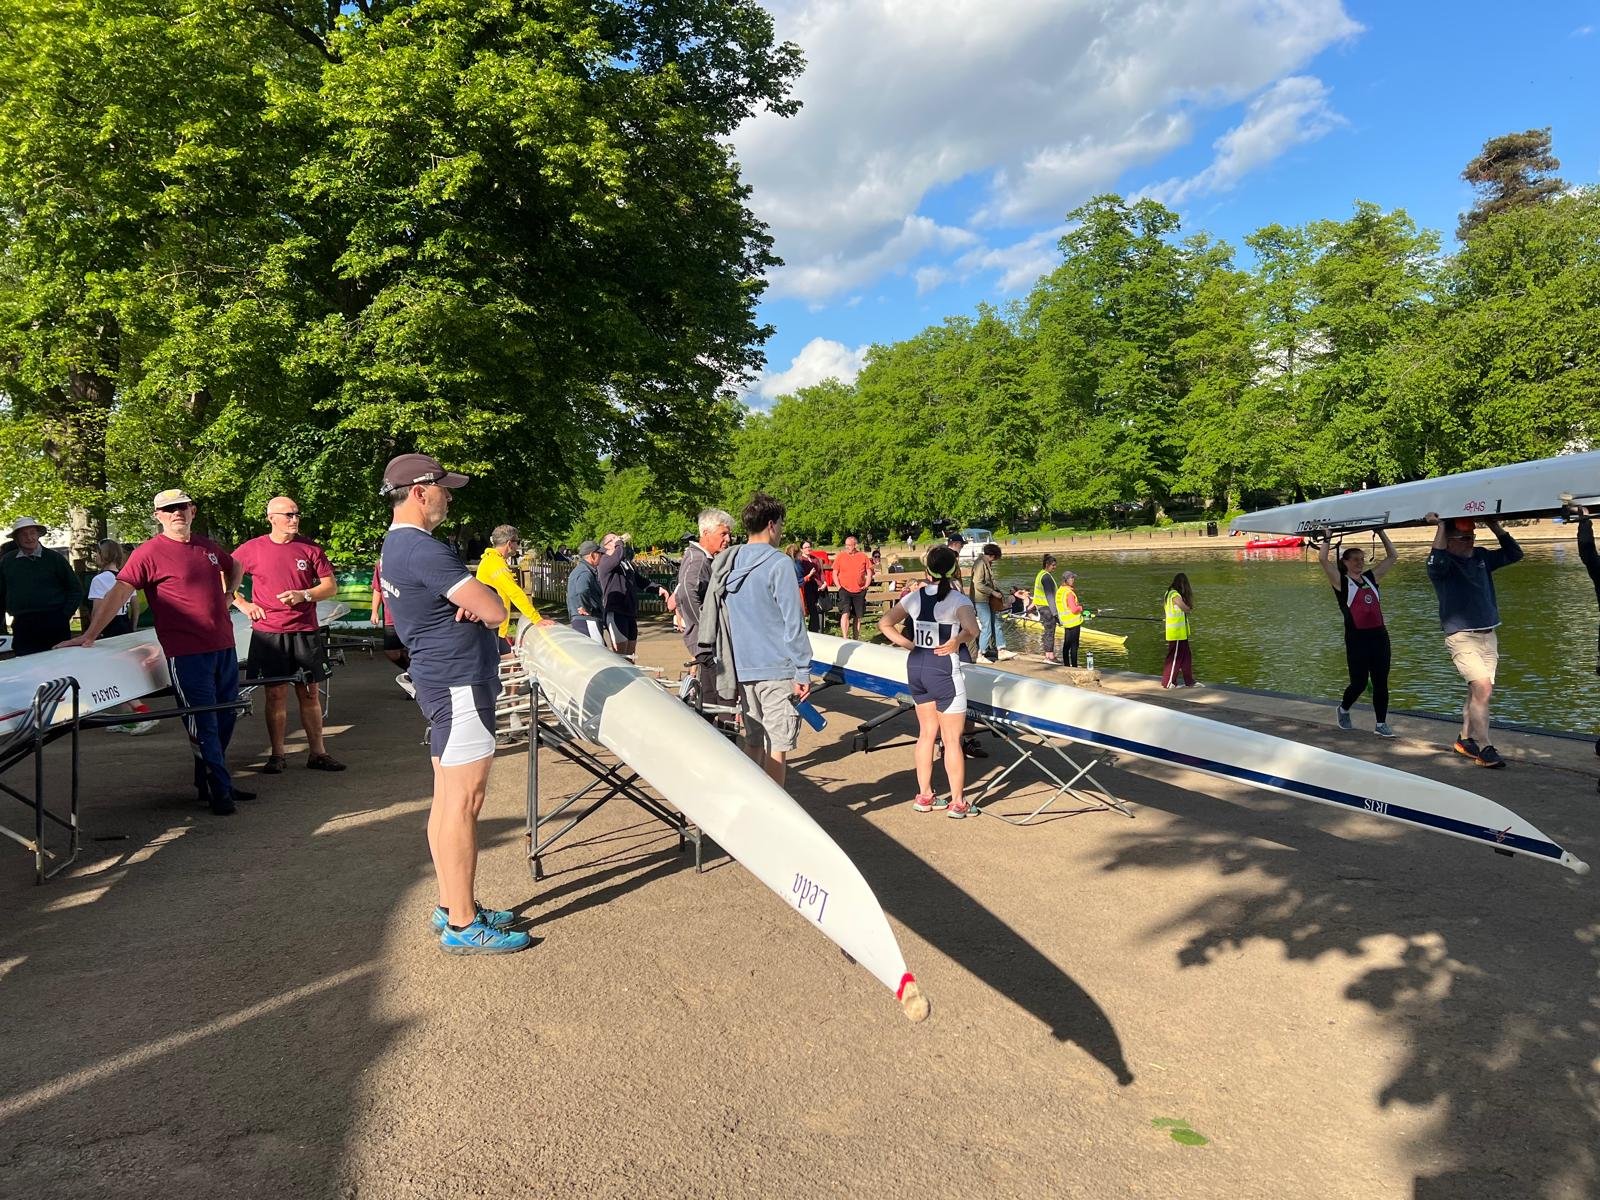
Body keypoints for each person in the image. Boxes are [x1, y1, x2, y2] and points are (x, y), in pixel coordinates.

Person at [378, 452, 529, 955]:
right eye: (444, 488)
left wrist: (467, 601)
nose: (449, 496)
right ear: (420, 492)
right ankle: (463, 923)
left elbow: (463, 603)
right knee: (464, 802)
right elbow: (494, 609)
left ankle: (451, 905)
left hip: (440, 678)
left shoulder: (396, 545)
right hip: (459, 681)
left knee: (447, 798)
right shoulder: (424, 549)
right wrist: (480, 601)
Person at [62, 488, 252, 815]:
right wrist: (90, 634)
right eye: (169, 509)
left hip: (224, 645)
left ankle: (210, 781)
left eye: (182, 507)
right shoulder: (148, 553)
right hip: (186, 652)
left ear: (192, 510)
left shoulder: (206, 546)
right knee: (203, 720)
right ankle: (220, 790)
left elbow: (235, 564)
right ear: (158, 516)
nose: (177, 513)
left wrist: (230, 594)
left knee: (226, 716)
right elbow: (119, 592)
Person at [699, 492, 812, 786]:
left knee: (752, 741)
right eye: (781, 525)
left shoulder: (728, 561)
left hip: (742, 668)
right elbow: (793, 622)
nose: (781, 531)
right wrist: (803, 670)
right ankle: (774, 808)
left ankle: (751, 800)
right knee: (777, 747)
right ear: (771, 525)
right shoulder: (779, 563)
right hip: (777, 668)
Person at [232, 497, 344, 774]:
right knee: (275, 694)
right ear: (271, 518)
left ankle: (318, 753)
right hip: (269, 633)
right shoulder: (251, 549)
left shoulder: (310, 548)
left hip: (304, 630)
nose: (294, 519)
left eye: (297, 514)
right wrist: (243, 604)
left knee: (310, 693)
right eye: (288, 515)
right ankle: (277, 755)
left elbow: (330, 587)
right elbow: (224, 577)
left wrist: (304, 594)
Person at [877, 545, 980, 817]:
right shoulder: (958, 600)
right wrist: (956, 641)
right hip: (943, 670)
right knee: (952, 740)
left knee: (926, 734)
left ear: (927, 571)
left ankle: (924, 796)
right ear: (954, 570)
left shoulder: (914, 597)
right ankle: (958, 802)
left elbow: (884, 623)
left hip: (917, 668)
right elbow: (973, 630)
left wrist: (909, 644)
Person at [1424, 513, 1523, 768]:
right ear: (1449, 541)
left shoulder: (1481, 557)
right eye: (1464, 538)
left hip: (1489, 634)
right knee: (1483, 688)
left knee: (1477, 691)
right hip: (1461, 636)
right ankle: (1486, 748)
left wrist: (1494, 525)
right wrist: (1441, 525)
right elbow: (1435, 559)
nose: (1471, 541)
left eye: (1472, 536)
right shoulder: (1443, 565)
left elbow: (1515, 554)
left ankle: (1464, 739)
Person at [1318, 531, 1399, 737]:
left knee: (1381, 682)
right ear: (1345, 562)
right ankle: (1344, 708)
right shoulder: (1341, 582)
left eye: (1362, 559)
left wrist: (1381, 532)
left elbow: (1393, 556)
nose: (1359, 563)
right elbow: (1323, 560)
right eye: (1355, 559)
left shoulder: (1371, 578)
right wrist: (1327, 536)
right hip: (1357, 640)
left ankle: (1381, 724)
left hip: (1380, 638)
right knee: (1359, 683)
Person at [87, 539, 157, 734]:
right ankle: (127, 718)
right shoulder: (124, 577)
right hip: (124, 625)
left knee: (112, 674)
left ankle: (142, 711)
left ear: (103, 555)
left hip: (109, 628)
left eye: (97, 553)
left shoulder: (99, 580)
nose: (95, 557)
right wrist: (132, 626)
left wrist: (92, 632)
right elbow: (135, 607)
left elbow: (98, 610)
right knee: (123, 671)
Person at [673, 507, 734, 702]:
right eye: (723, 534)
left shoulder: (700, 558)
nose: (728, 539)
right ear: (706, 533)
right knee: (723, 694)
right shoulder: (698, 560)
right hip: (706, 643)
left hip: (704, 642)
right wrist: (704, 627)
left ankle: (708, 719)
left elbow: (681, 592)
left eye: (729, 534)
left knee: (710, 695)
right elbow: (686, 592)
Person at [0, 516, 82, 655]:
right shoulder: (7, 562)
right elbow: (1, 593)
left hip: (54, 622)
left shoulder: (54, 558)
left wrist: (64, 615)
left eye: (32, 533)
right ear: (16, 538)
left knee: (59, 661)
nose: (29, 538)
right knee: (26, 663)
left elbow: (75, 589)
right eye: (24, 534)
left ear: (38, 534)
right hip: (23, 624)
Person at [598, 533, 671, 657]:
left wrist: (657, 588)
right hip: (616, 612)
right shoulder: (604, 560)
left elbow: (639, 580)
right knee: (621, 654)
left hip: (630, 611)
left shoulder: (624, 562)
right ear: (606, 545)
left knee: (631, 654)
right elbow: (616, 558)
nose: (618, 539)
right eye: (613, 538)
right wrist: (619, 544)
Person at [475, 525, 543, 646]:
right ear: (509, 543)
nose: (518, 546)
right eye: (518, 542)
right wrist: (537, 619)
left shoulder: (494, 560)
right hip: (491, 629)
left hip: (494, 627)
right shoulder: (495, 563)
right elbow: (514, 592)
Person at [370, 555, 413, 695]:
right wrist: (374, 612)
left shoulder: (410, 560)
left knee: (414, 650)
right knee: (391, 652)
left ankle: (416, 682)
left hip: (411, 615)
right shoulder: (380, 564)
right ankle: (412, 672)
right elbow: (377, 589)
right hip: (391, 616)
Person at [968, 543, 1013, 662]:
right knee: (987, 626)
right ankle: (980, 653)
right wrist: (993, 592)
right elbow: (978, 584)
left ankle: (1001, 649)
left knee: (996, 623)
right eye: (996, 558)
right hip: (981, 600)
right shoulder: (980, 564)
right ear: (992, 555)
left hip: (988, 599)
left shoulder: (986, 563)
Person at [832, 535, 873, 641]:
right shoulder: (841, 556)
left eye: (849, 545)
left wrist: (866, 585)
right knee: (845, 613)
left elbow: (869, 572)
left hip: (859, 590)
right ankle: (845, 638)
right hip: (844, 589)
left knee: (857, 616)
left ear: (855, 545)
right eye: (846, 545)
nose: (847, 547)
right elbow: (835, 572)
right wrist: (839, 586)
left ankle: (855, 639)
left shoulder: (863, 556)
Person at [566, 540, 605, 643]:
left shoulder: (580, 569)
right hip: (587, 621)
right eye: (599, 553)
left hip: (580, 619)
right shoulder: (585, 572)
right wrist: (587, 608)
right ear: (592, 555)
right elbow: (582, 590)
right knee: (597, 650)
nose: (601, 556)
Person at [1161, 573, 1195, 688]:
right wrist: (1189, 608)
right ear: (1182, 584)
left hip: (1182, 633)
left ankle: (1189, 681)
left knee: (1186, 657)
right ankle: (1168, 682)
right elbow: (1183, 607)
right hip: (1176, 633)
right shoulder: (1174, 594)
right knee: (1174, 658)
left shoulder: (1170, 593)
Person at [1031, 554, 1060, 661]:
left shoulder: (1040, 574)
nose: (1055, 567)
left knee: (1047, 631)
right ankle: (1049, 656)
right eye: (1053, 565)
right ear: (1047, 564)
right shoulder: (1046, 577)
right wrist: (1055, 613)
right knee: (1050, 631)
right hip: (1047, 608)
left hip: (1041, 607)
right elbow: (1050, 596)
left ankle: (1048, 654)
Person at [1057, 569, 1087, 668]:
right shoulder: (1069, 593)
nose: (1073, 579)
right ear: (1066, 580)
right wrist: (1080, 608)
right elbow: (1074, 609)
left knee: (1066, 645)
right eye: (1071, 578)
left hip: (1065, 622)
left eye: (1073, 578)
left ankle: (1066, 665)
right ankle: (1074, 666)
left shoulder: (1060, 591)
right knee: (1074, 646)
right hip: (1074, 622)